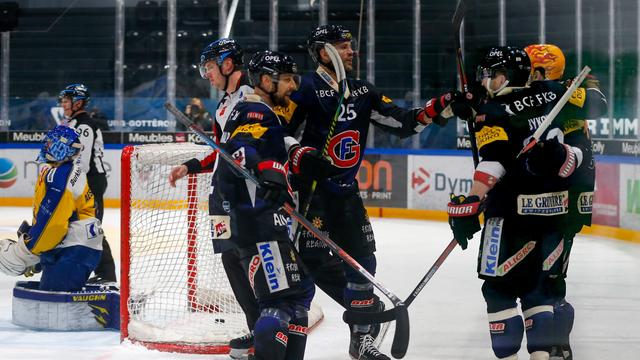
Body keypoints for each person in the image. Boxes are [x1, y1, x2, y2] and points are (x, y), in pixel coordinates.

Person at [276, 24, 457, 360]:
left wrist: (439, 107)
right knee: (310, 262)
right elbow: (277, 131)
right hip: (311, 192)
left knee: (363, 262)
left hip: (345, 192)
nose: (351, 52)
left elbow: (403, 122)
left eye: (350, 46)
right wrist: (299, 153)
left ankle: (361, 337)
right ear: (322, 52)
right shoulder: (304, 88)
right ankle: (355, 310)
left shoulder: (362, 92)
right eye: (343, 47)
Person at [446, 45, 605, 360]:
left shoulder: (496, 110)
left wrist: (472, 202)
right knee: (542, 289)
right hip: (557, 211)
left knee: (499, 290)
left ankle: (536, 352)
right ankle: (549, 352)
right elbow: (595, 109)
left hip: (511, 213)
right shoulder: (558, 94)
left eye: (490, 75)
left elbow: (494, 161)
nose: (485, 81)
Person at [168, 38, 260, 359]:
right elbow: (221, 154)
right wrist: (190, 166)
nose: (206, 74)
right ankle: (257, 329)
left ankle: (269, 329)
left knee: (253, 261)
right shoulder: (223, 105)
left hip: (245, 198)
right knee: (232, 261)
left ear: (228, 63)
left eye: (209, 67)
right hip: (222, 199)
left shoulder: (253, 97)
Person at [524, 44, 607, 360]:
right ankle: (553, 343)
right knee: (549, 275)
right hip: (562, 199)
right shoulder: (561, 91)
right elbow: (596, 104)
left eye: (528, 66)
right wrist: (590, 85)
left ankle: (554, 344)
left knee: (549, 277)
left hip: (561, 200)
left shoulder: (551, 93)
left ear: (541, 70)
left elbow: (596, 107)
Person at [0, 125, 103, 291]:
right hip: (74, 246)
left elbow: (53, 224)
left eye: (50, 144)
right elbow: (56, 222)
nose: (46, 146)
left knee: (57, 308)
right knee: (53, 305)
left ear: (60, 148)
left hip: (73, 250)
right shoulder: (65, 171)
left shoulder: (60, 178)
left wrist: (28, 250)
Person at [58, 84, 115, 284]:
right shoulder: (73, 123)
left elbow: (82, 160)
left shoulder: (84, 125)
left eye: (66, 101)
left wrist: (70, 182)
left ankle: (107, 274)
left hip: (91, 181)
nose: (63, 105)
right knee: (78, 226)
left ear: (78, 102)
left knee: (92, 227)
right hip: (83, 181)